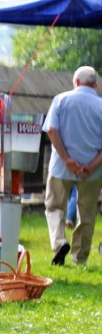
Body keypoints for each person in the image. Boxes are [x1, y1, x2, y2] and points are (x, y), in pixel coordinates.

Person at [43, 65, 102, 266]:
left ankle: (59, 243)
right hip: (93, 171)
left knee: (54, 207)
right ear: (96, 85)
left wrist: (67, 159)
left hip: (61, 166)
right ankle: (80, 258)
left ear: (75, 82)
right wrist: (92, 165)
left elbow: (51, 130)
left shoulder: (61, 99)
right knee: (86, 215)